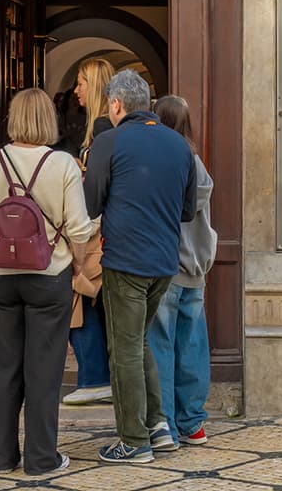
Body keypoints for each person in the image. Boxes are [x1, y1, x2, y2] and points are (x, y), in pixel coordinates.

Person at [0, 88, 93, 476]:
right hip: (49, 278)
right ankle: (41, 458)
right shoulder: (63, 164)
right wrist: (75, 263)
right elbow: (80, 228)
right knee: (44, 370)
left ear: (12, 120)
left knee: (0, 369)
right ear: (48, 120)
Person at [84, 69, 197, 464]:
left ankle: (133, 440)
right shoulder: (179, 145)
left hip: (126, 260)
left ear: (115, 104)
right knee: (140, 341)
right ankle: (159, 426)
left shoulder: (108, 141)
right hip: (165, 262)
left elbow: (91, 203)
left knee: (125, 349)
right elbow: (187, 210)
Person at [148, 95, 217, 446]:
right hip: (196, 269)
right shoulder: (197, 163)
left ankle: (165, 426)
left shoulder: (164, 162)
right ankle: (193, 423)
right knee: (192, 347)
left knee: (160, 346)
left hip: (166, 267)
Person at [62, 57, 115, 406]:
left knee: (80, 300)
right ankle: (97, 377)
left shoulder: (102, 133)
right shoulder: (99, 131)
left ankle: (94, 378)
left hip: (96, 236)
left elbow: (100, 192)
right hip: (100, 234)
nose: (76, 90)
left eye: (81, 82)